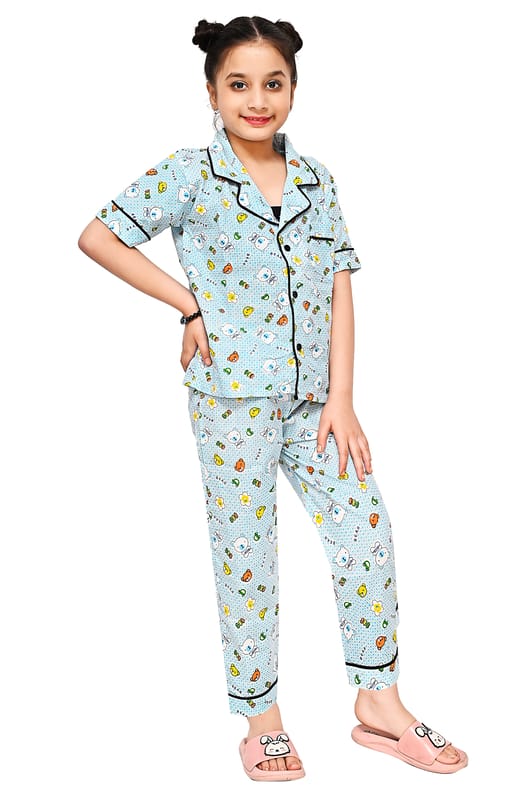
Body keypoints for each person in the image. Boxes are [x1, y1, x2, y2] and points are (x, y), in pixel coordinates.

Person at [78, 15, 468, 780]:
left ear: (293, 88)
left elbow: (340, 283)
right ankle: (262, 719)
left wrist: (343, 396)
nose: (257, 100)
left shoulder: (318, 179)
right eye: (239, 84)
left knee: (366, 529)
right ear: (212, 92)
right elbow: (98, 236)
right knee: (247, 555)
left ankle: (379, 702)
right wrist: (187, 305)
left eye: (273, 83)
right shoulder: (190, 173)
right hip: (231, 401)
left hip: (316, 402)